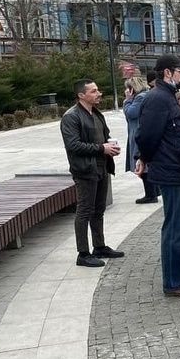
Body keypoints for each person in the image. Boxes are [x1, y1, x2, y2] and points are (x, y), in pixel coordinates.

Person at [136, 54, 180, 297]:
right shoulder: (157, 99)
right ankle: (173, 282)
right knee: (174, 228)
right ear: (167, 72)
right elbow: (146, 136)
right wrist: (146, 158)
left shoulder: (167, 97)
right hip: (171, 172)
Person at [61, 79, 125, 268]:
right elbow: (73, 145)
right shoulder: (71, 117)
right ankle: (83, 253)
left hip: (102, 167)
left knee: (99, 210)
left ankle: (99, 246)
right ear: (81, 95)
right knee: (84, 211)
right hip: (85, 170)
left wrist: (110, 147)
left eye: (98, 90)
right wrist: (101, 148)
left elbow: (103, 138)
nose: (99, 93)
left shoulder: (96, 113)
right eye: (94, 91)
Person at [123, 74, 157, 205]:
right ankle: (153, 192)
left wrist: (127, 100)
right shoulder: (145, 96)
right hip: (138, 132)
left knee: (142, 164)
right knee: (143, 163)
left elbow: (131, 113)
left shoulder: (140, 98)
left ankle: (151, 194)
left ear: (132, 88)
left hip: (138, 133)